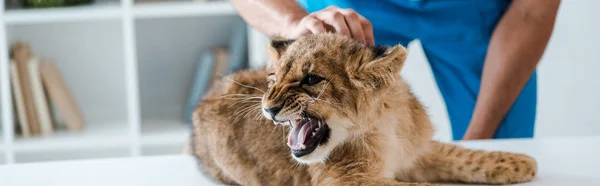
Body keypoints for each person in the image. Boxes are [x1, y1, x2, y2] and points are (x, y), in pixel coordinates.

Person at [230, 0, 560, 140]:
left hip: (469, 9)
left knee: (499, 153)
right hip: (350, 8)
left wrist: (477, 144)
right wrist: (293, 24)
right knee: (329, 143)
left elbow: (533, 12)